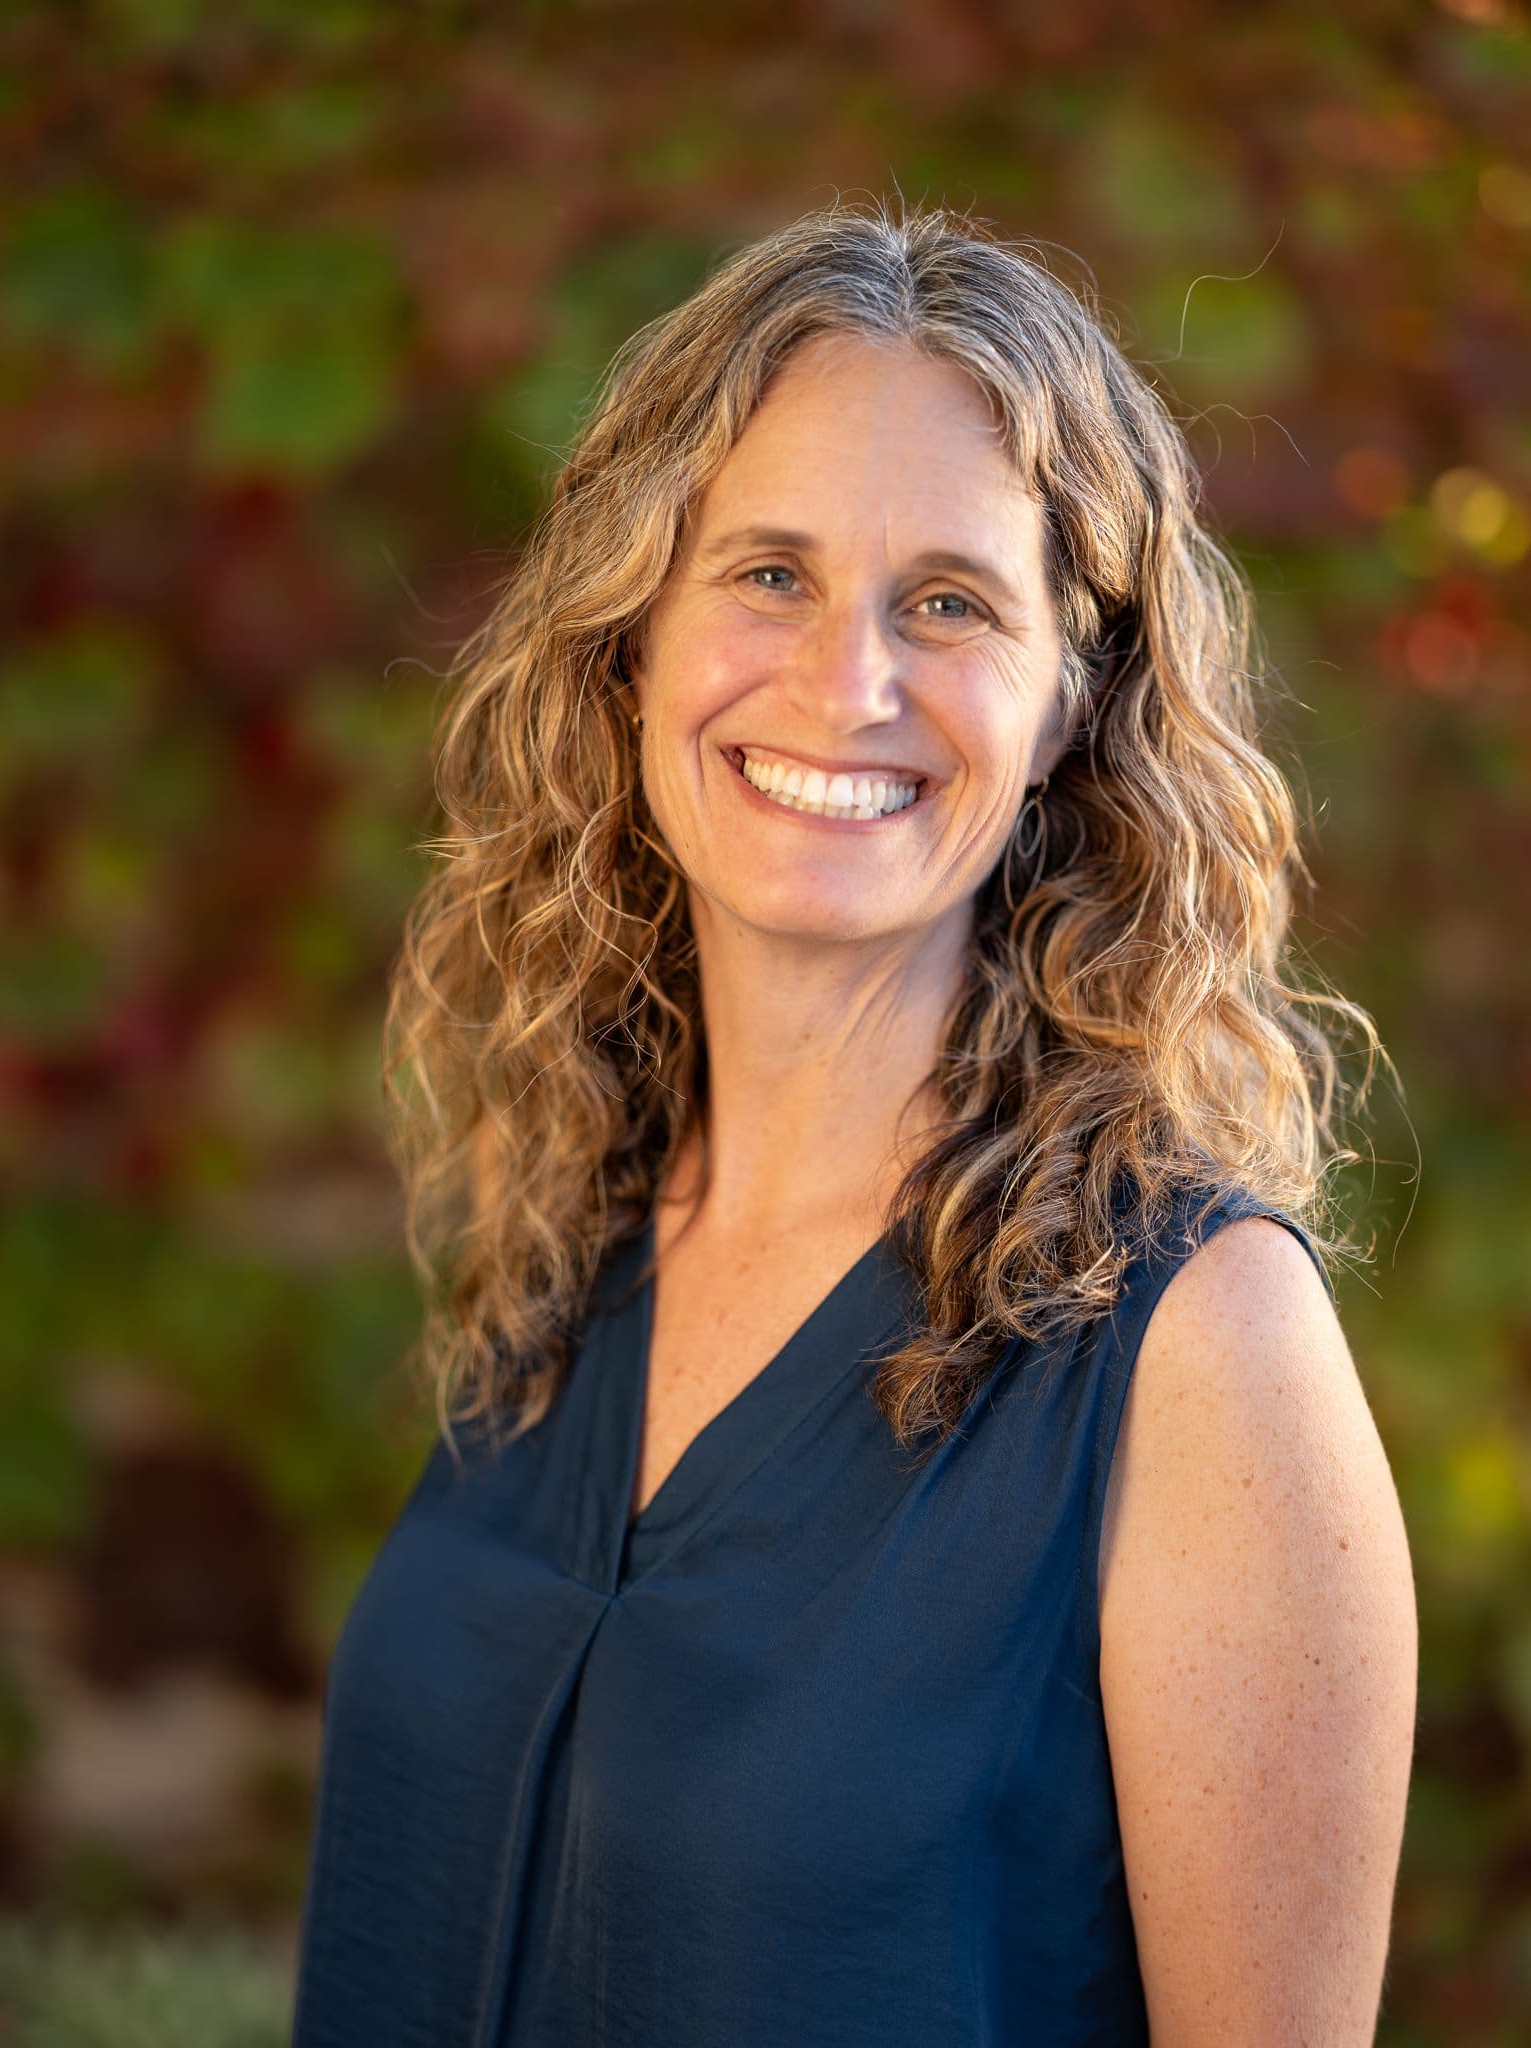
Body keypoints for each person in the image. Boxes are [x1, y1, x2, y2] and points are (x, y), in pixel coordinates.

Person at [290, 198, 1417, 2046]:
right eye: (768, 574)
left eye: (952, 602)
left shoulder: (1203, 1351)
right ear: (635, 633)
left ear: (1072, 702)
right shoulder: (579, 1216)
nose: (848, 682)